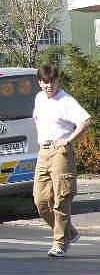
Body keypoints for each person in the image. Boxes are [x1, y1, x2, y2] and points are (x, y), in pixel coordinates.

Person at [33, 64, 92, 257]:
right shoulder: (39, 98)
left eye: (53, 81)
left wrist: (68, 139)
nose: (50, 86)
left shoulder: (66, 101)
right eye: (46, 82)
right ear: (40, 82)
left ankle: (60, 243)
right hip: (44, 151)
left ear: (58, 81)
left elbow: (85, 121)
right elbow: (37, 120)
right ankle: (70, 232)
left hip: (60, 153)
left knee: (61, 199)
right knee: (41, 202)